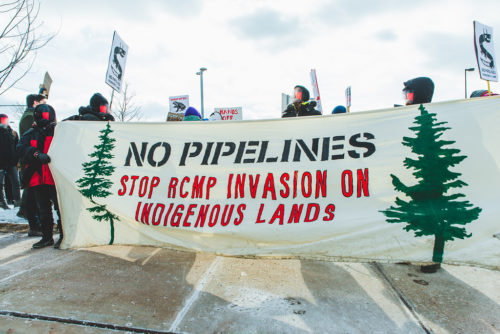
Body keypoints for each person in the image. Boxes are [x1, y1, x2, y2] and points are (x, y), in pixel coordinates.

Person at [17, 104, 60, 248]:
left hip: (55, 178)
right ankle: (47, 237)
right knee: (43, 211)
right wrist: (35, 153)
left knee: (61, 209)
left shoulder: (58, 132)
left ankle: (64, 235)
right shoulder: (30, 134)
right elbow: (20, 149)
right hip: (38, 178)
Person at [0, 114, 21, 210]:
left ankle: (17, 201)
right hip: (1, 164)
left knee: (16, 182)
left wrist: (18, 161)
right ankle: (2, 202)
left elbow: (18, 146)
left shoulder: (13, 133)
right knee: (1, 184)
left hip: (12, 163)